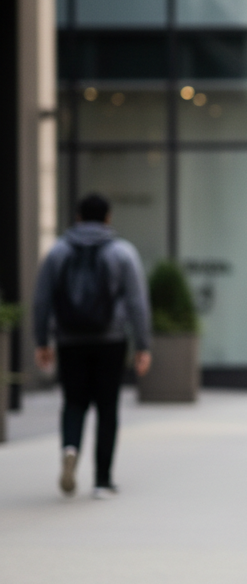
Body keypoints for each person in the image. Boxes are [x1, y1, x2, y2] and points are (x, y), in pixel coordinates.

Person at [33, 194, 151, 498]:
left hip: (69, 340)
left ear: (77, 217)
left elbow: (42, 299)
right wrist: (143, 344)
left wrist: (41, 341)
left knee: (73, 402)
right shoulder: (122, 253)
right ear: (108, 218)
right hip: (110, 340)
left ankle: (70, 448)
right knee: (107, 407)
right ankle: (102, 481)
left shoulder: (58, 251)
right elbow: (137, 302)